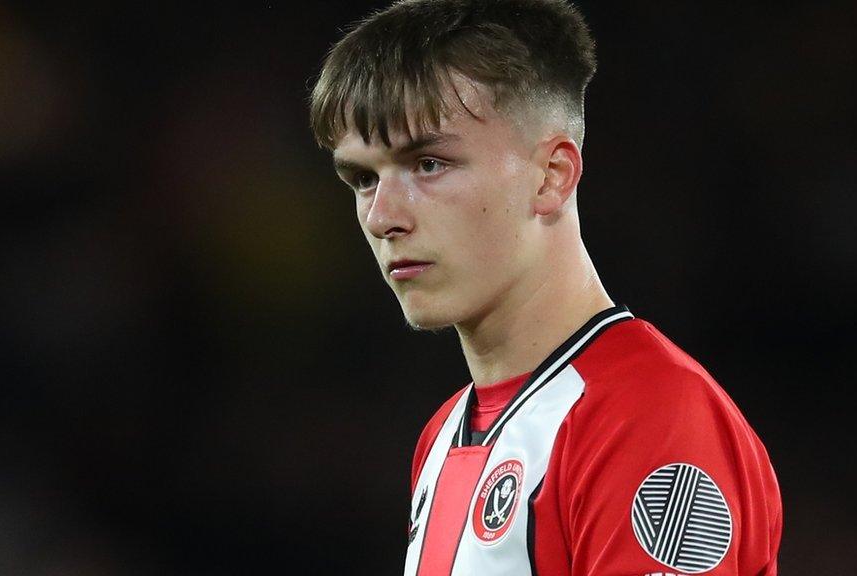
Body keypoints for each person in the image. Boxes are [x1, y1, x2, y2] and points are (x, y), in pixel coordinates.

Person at [308, 0, 782, 574]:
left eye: (428, 163)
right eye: (363, 178)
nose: (384, 216)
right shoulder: (443, 435)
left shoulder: (646, 416)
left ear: (551, 176)